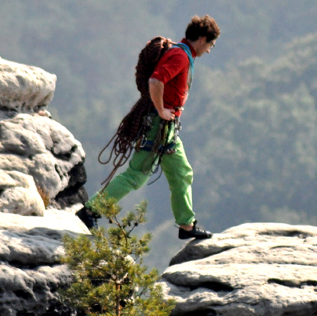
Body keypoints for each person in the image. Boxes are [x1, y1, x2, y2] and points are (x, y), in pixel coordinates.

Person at [76, 15, 219, 240]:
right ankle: (90, 210)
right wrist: (161, 110)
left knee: (182, 173)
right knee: (136, 176)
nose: (209, 50)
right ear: (201, 39)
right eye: (210, 44)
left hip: (167, 129)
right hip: (158, 125)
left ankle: (187, 226)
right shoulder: (180, 56)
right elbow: (156, 81)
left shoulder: (181, 53)